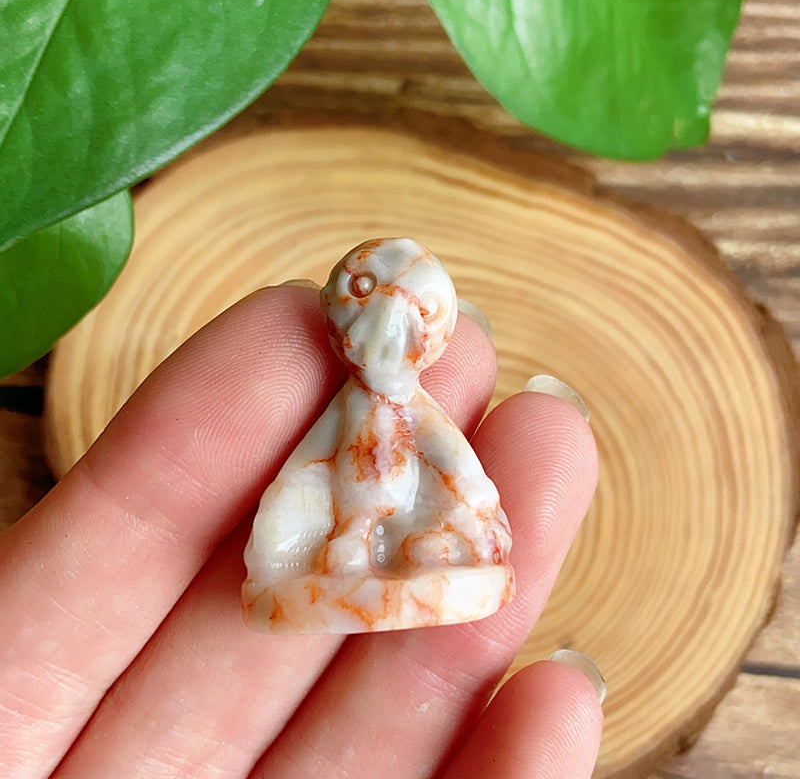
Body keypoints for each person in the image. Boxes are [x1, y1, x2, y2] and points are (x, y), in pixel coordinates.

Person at [0, 285, 604, 778]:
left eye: (406, 324)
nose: (383, 341)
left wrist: (477, 518)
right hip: (348, 525)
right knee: (346, 542)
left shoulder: (417, 412)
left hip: (413, 525)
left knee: (425, 537)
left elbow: (453, 465)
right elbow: (308, 475)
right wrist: (278, 546)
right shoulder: (347, 411)